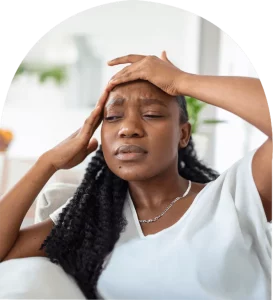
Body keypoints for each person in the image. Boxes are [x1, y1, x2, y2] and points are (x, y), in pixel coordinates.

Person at [0, 51, 272, 300]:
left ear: (184, 134)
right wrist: (47, 163)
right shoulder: (89, 221)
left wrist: (181, 80)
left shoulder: (234, 198)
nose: (128, 129)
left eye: (152, 114)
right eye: (113, 117)